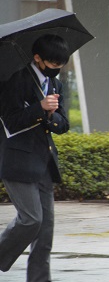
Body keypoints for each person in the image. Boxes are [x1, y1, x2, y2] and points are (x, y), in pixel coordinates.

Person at [0, 34, 70, 282]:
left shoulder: (56, 85)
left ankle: (40, 279)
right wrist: (39, 108)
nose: (57, 69)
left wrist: (51, 115)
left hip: (44, 162)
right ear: (37, 58)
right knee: (31, 220)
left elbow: (63, 125)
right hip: (17, 160)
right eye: (52, 64)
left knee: (45, 230)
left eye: (61, 65)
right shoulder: (14, 80)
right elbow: (11, 120)